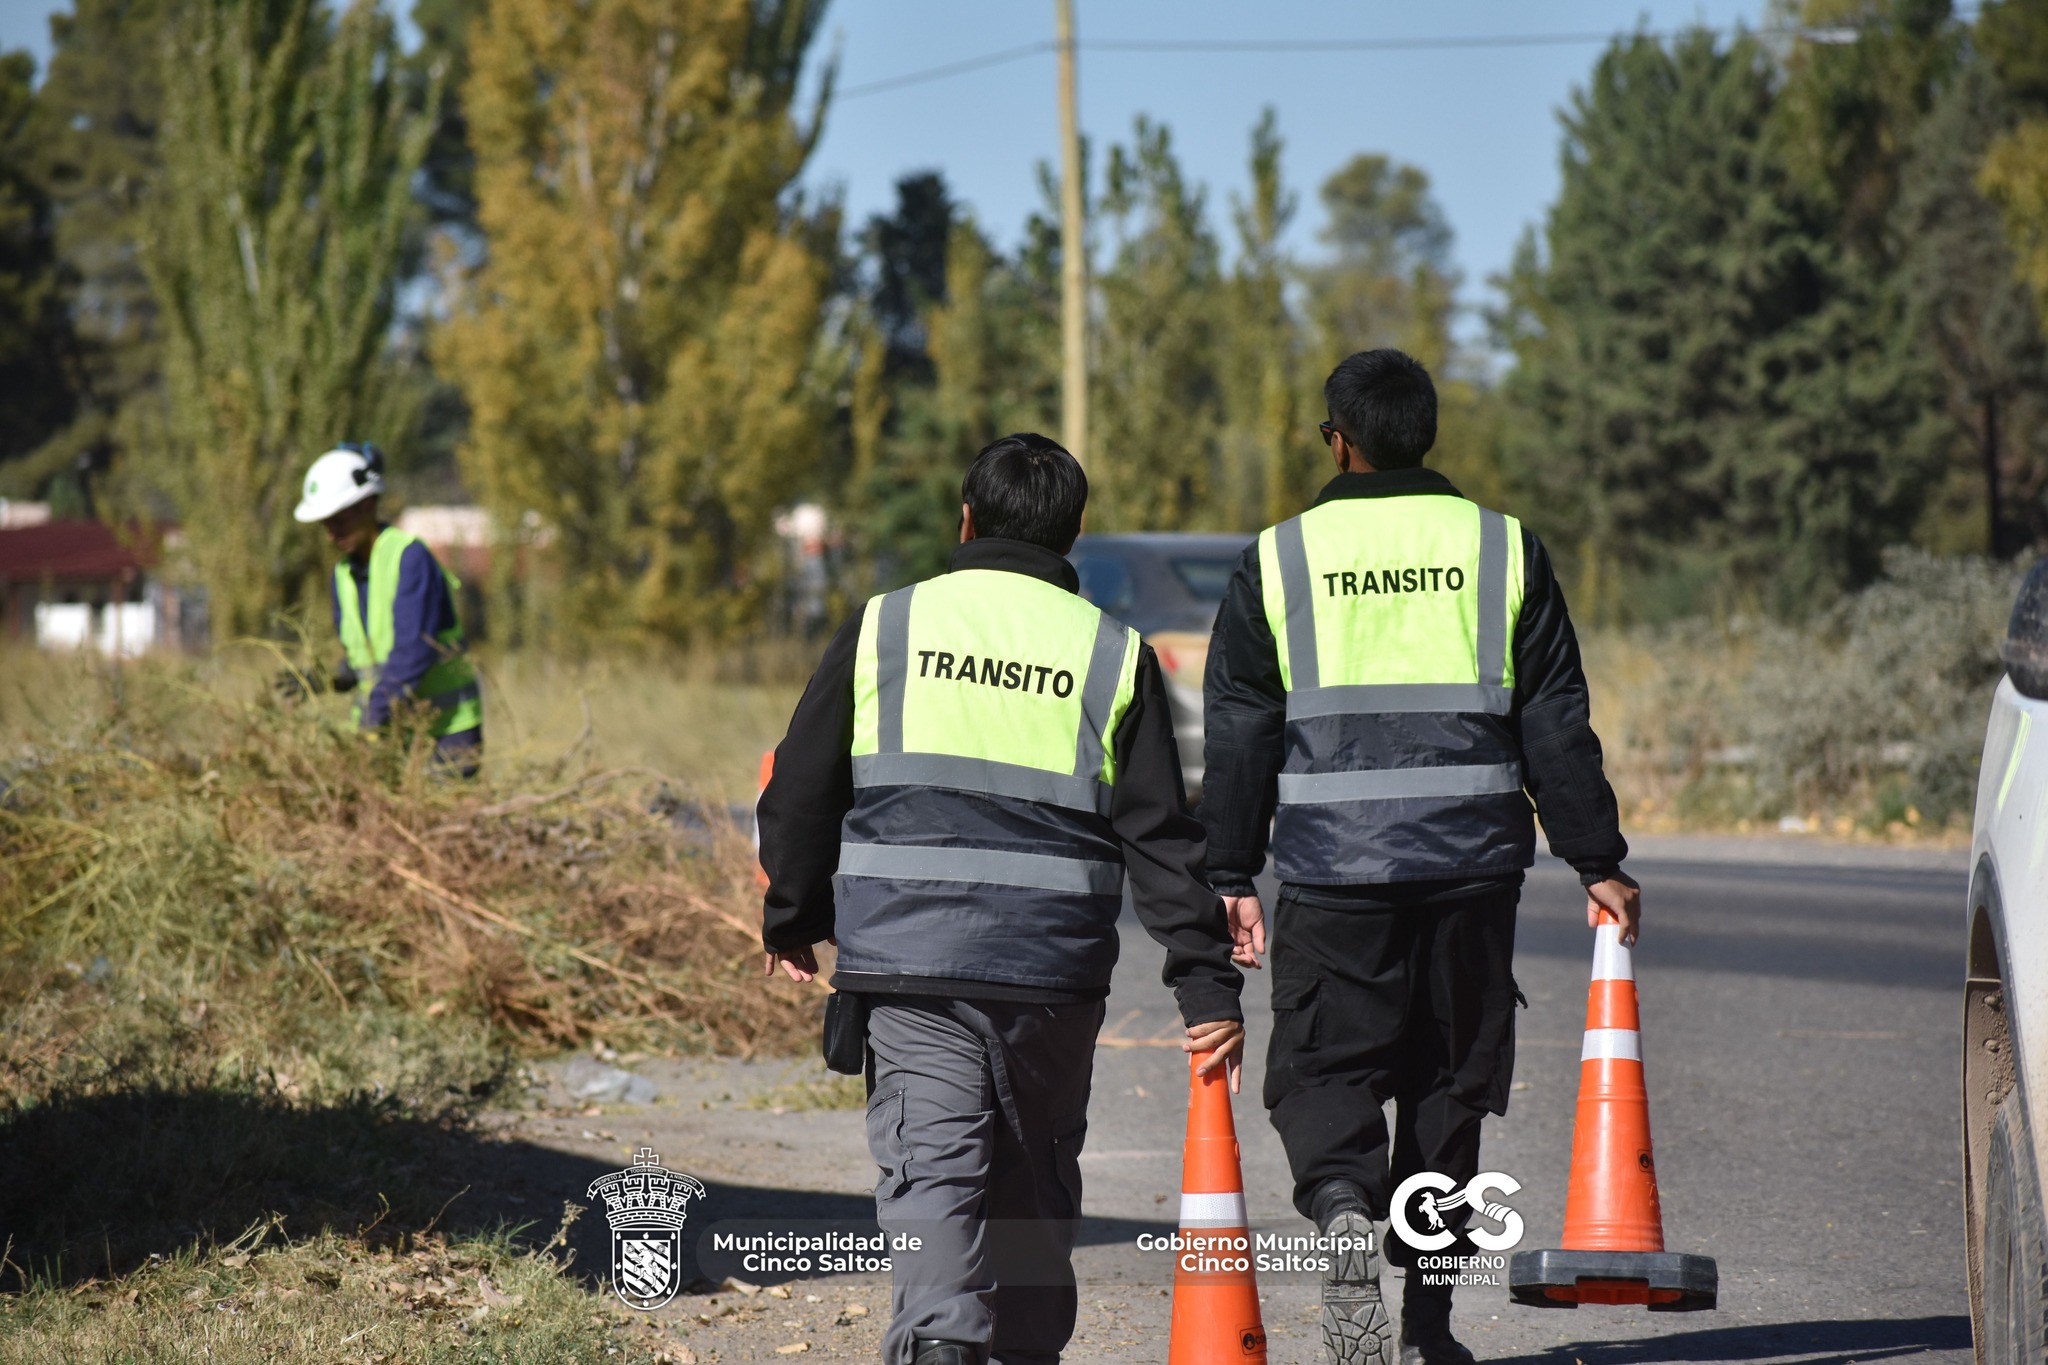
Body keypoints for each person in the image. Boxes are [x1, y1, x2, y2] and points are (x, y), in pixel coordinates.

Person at [757, 433, 1247, 1365]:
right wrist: (1204, 985)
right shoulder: (1111, 652)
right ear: (1075, 535)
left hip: (912, 968)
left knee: (934, 1174)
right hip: (1051, 975)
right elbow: (1160, 834)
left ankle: (943, 1341)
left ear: (966, 517)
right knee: (1031, 1182)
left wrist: (795, 915)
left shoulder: (886, 626)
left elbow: (800, 786)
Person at [1200, 350, 1640, 1365]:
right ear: (1426, 434)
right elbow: (1554, 720)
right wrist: (1595, 857)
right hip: (1470, 866)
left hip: (1330, 870)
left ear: (1336, 440)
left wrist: (1227, 872)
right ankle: (1426, 1330)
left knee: (1319, 1070)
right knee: (1447, 1089)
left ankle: (1345, 1205)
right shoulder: (1500, 549)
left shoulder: (1278, 557)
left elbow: (1239, 731)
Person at [291, 442, 483, 774]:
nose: (331, 533)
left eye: (340, 519)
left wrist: (369, 721)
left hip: (445, 736)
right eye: (326, 522)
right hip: (387, 735)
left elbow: (412, 655)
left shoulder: (410, 558)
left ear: (367, 505)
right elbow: (364, 661)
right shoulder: (343, 575)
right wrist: (325, 678)